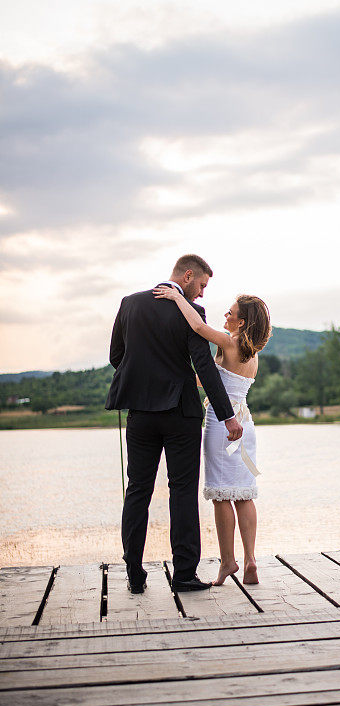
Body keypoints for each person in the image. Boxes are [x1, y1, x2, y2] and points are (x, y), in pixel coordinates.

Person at [105, 255, 243, 595]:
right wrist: (228, 415)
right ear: (188, 274)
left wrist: (143, 381)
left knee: (138, 489)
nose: (201, 294)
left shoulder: (130, 304)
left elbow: (116, 357)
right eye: (201, 286)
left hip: (139, 413)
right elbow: (203, 366)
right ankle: (183, 574)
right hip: (180, 413)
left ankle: (134, 573)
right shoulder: (191, 313)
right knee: (181, 492)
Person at [153, 284, 271, 586]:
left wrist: (177, 296)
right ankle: (250, 560)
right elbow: (211, 380)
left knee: (221, 496)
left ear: (241, 322)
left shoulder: (230, 343)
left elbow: (196, 325)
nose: (226, 316)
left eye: (230, 313)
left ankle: (228, 562)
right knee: (243, 495)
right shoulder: (251, 352)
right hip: (245, 424)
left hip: (223, 425)